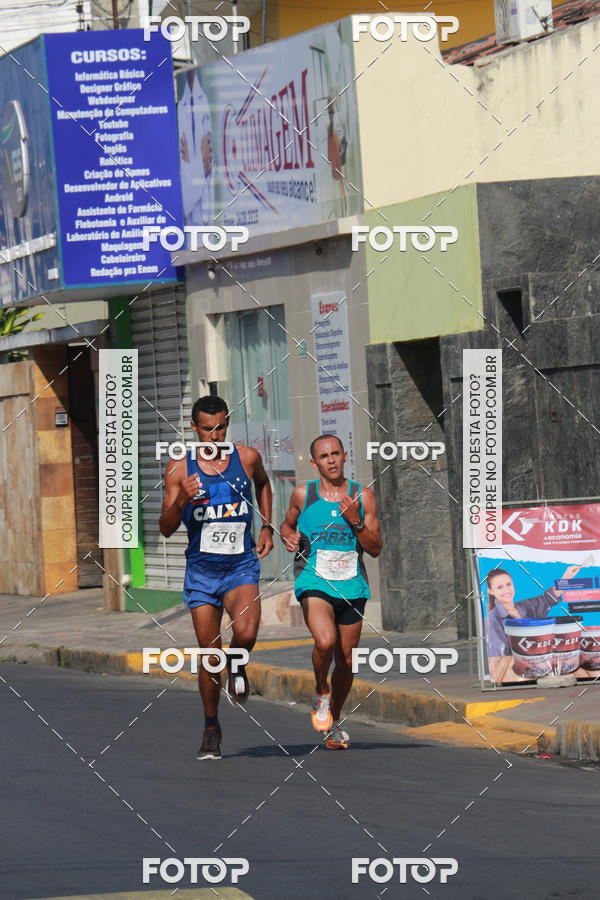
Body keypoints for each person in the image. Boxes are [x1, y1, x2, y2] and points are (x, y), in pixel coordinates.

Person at [159, 395, 273, 760]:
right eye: (207, 428)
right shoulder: (180, 469)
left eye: (221, 427)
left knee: (247, 632)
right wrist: (182, 501)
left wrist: (267, 526)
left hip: (240, 566)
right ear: (194, 428)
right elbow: (164, 528)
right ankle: (211, 726)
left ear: (228, 423)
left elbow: (264, 484)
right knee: (210, 657)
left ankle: (238, 662)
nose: (214, 435)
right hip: (203, 573)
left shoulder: (247, 457)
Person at [280, 434, 382, 750]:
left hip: (352, 585)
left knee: (346, 660)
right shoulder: (303, 494)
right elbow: (286, 525)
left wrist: (356, 523)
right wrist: (289, 537)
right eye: (324, 456)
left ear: (345, 455)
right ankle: (321, 689)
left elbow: (376, 548)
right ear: (315, 463)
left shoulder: (363, 496)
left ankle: (333, 720)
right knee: (325, 641)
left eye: (336, 453)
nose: (332, 460)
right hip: (314, 580)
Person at [485, 564, 582, 658]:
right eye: (499, 587)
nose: (506, 590)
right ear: (491, 591)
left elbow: (548, 600)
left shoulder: (526, 606)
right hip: (514, 671)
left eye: (508, 584)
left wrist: (566, 578)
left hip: (538, 664)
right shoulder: (492, 619)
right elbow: (498, 658)